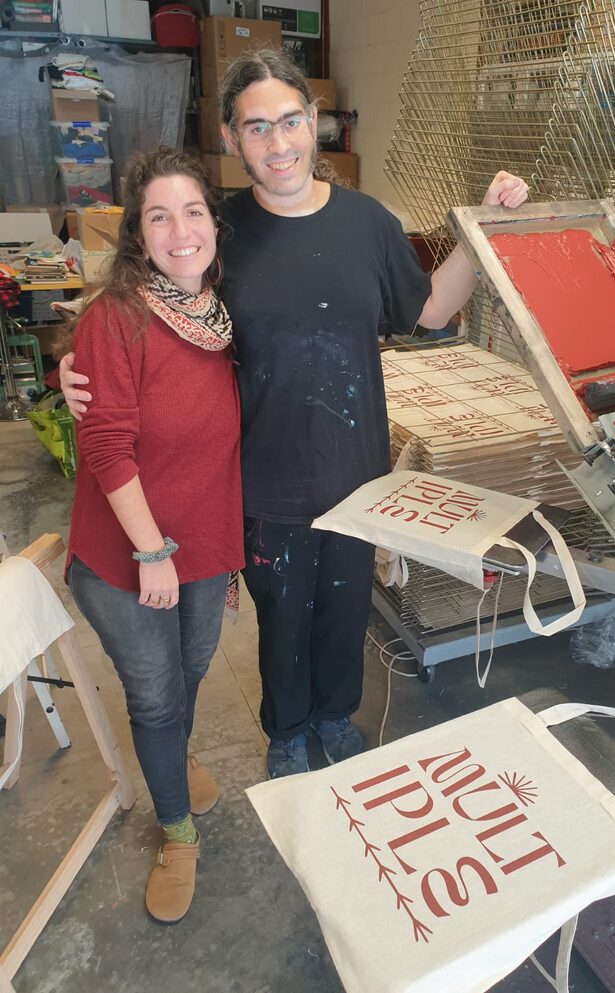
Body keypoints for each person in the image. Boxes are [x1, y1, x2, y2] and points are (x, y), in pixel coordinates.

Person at [60, 49, 529, 783]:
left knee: (345, 610)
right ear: (230, 137)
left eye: (289, 122)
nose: (277, 144)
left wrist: (481, 229)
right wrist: (76, 361)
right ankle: (284, 730)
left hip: (355, 468)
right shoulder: (222, 229)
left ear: (313, 123)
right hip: (259, 472)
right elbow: (147, 299)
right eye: (256, 128)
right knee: (281, 619)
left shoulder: (368, 223)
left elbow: (430, 309)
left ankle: (334, 717)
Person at [63, 148, 244, 923]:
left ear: (212, 223)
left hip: (204, 543)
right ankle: (175, 831)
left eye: (193, 211)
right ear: (139, 234)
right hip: (128, 553)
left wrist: (212, 553)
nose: (180, 229)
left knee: (193, 668)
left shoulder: (225, 315)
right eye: (159, 215)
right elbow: (106, 445)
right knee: (156, 691)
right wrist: (150, 551)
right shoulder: (118, 315)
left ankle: (173, 756)